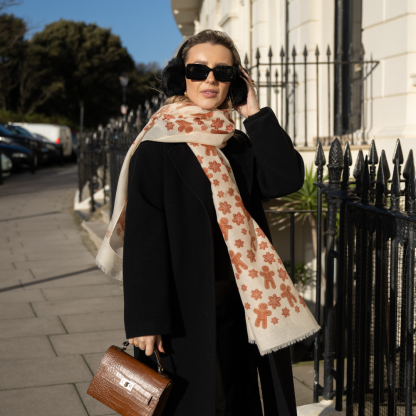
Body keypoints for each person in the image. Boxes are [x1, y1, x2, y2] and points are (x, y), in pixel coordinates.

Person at [98, 29, 318, 416]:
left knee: (238, 398)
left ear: (236, 80)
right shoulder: (156, 148)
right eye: (198, 69)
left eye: (223, 71)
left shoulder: (236, 143)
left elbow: (285, 178)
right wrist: (145, 319)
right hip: (181, 311)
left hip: (240, 302)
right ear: (180, 76)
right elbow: (145, 242)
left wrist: (254, 112)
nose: (210, 79)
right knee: (192, 403)